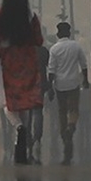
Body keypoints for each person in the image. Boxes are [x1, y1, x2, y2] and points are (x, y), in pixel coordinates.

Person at [0, 0, 44, 166]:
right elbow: (39, 40)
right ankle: (23, 140)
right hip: (28, 64)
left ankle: (19, 128)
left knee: (10, 103)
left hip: (9, 64)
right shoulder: (31, 17)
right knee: (25, 103)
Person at [47, 22, 89, 166]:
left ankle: (64, 133)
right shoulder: (76, 46)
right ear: (69, 33)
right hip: (73, 83)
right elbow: (84, 65)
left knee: (62, 110)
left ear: (58, 33)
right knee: (73, 109)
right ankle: (71, 127)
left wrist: (50, 87)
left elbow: (51, 70)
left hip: (60, 84)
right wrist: (85, 80)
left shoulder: (54, 49)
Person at [32, 37, 51, 165]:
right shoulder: (43, 51)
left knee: (27, 113)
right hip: (40, 84)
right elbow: (50, 67)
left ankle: (27, 138)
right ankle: (37, 138)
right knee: (38, 112)